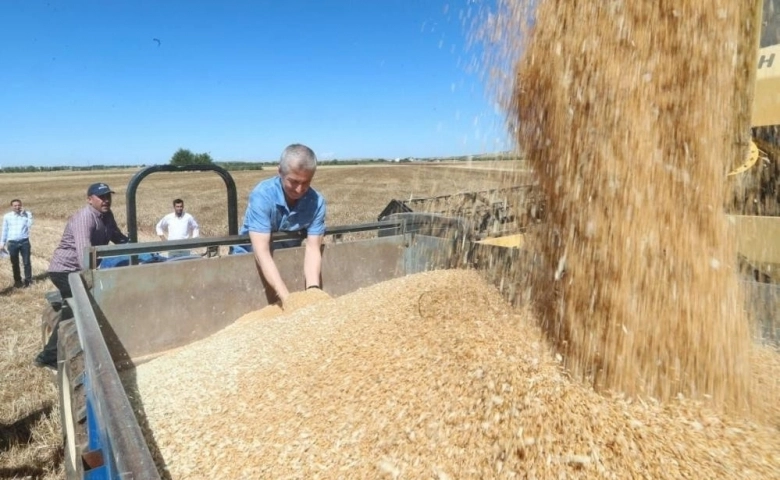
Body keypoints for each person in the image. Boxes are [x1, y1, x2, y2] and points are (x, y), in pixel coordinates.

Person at [34, 182, 129, 370]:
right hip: (65, 271)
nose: (106, 200)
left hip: (80, 268)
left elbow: (118, 237)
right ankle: (48, 356)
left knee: (74, 311)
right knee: (78, 312)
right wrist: (93, 277)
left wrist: (138, 249)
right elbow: (83, 254)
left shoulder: (107, 216)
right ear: (89, 199)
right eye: (101, 197)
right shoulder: (84, 218)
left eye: (108, 196)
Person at [239, 144, 326, 305]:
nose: (299, 189)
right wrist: (288, 300)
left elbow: (313, 248)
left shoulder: (316, 202)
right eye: (293, 182)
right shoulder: (263, 195)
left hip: (284, 260)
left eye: (306, 182)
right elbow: (261, 252)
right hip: (248, 261)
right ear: (280, 171)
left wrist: (313, 291)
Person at [0, 199, 34, 288]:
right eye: (15, 205)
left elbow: (30, 225)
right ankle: (18, 281)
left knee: (26, 262)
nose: (17, 207)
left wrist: (25, 214)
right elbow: (4, 230)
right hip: (12, 243)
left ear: (21, 205)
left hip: (24, 242)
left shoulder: (27, 214)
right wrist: (2, 242)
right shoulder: (7, 216)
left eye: (19, 205)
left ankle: (28, 281)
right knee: (15, 263)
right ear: (11, 207)